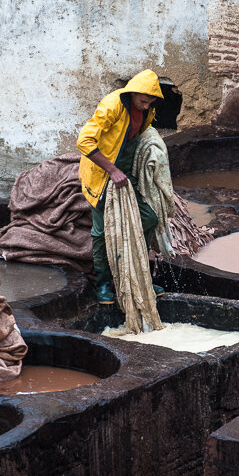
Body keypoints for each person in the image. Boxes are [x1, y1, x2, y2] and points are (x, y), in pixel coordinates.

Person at [77, 69, 166, 304]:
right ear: (132, 93)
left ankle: (139, 276)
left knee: (148, 218)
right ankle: (105, 284)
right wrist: (112, 170)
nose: (146, 107)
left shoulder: (147, 111)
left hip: (125, 174)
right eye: (143, 101)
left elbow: (140, 135)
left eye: (150, 102)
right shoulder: (113, 105)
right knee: (102, 232)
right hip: (101, 175)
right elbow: (84, 140)